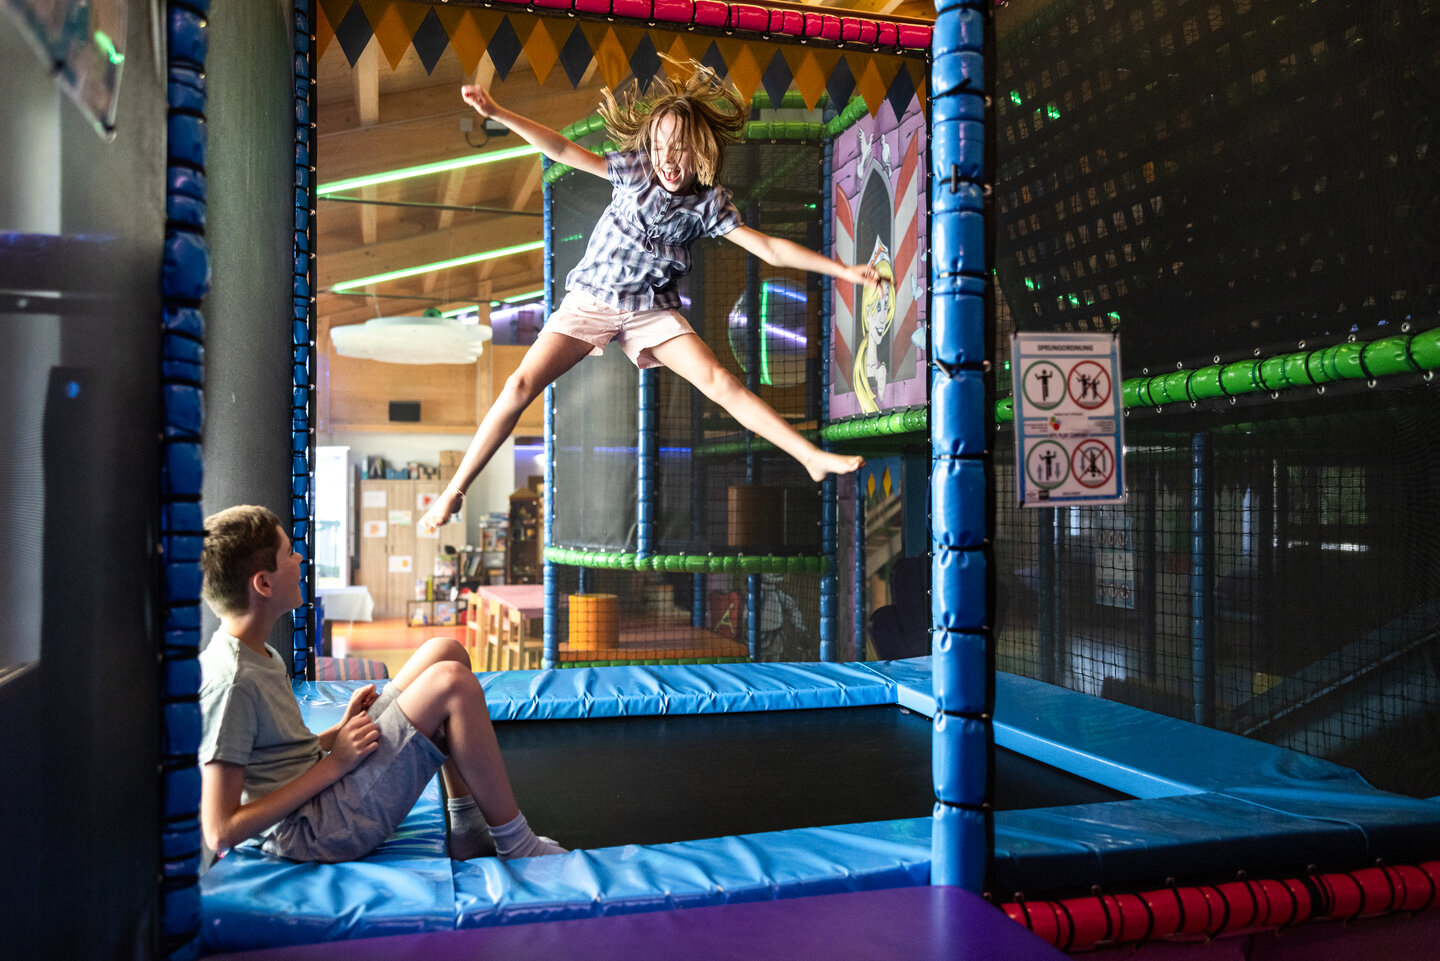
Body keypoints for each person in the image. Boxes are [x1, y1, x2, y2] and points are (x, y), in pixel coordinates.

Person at [420, 60, 881, 532]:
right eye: (659, 147)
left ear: (698, 147)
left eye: (677, 147)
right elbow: (560, 149)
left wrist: (843, 269)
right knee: (518, 386)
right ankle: (455, 492)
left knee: (719, 380)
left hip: (649, 310)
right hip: (592, 299)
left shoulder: (709, 202)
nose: (667, 159)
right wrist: (498, 111)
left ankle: (809, 457)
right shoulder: (633, 170)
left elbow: (767, 247)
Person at [197, 504, 564, 863]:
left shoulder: (257, 653)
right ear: (263, 583)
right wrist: (335, 764)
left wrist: (339, 731)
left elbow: (280, 757)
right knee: (452, 683)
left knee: (444, 652)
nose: (299, 562)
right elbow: (220, 830)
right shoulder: (233, 683)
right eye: (289, 555)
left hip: (323, 792)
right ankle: (516, 842)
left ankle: (468, 825)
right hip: (316, 831)